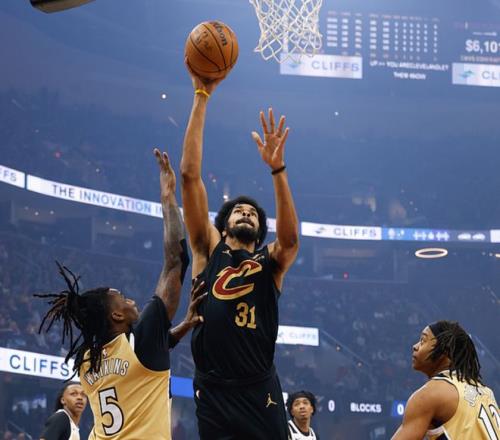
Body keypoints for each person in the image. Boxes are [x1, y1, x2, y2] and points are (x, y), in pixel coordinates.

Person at [37, 150, 207, 440]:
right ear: (116, 315)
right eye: (122, 298)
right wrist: (168, 197)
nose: (130, 300)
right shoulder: (139, 340)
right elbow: (176, 261)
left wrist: (181, 327)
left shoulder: (88, 361)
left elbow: (146, 353)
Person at [181, 64, 299, 440]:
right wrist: (202, 96)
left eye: (252, 213)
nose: (246, 213)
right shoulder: (207, 248)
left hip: (258, 387)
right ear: (224, 223)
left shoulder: (270, 262)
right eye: (238, 210)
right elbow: (190, 177)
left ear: (260, 230)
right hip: (212, 388)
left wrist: (277, 169)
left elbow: (290, 241)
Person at [392, 320, 500, 439]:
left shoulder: (430, 394)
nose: (415, 346)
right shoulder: (486, 392)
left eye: (423, 340)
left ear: (444, 349)